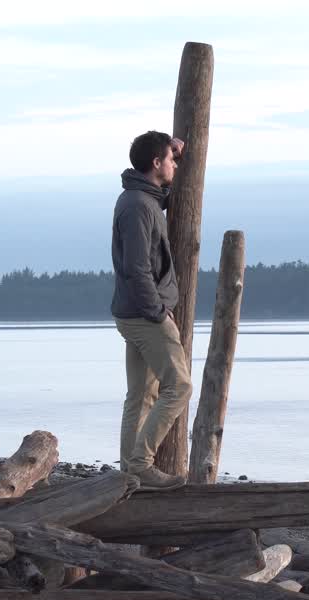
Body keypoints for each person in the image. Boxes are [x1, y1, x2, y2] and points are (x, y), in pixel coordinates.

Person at [110, 130, 192, 490]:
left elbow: (158, 197)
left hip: (133, 311)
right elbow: (136, 267)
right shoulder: (137, 206)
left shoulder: (139, 199)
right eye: (171, 160)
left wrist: (172, 148)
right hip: (145, 315)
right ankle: (141, 464)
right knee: (180, 386)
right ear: (156, 164)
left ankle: (129, 473)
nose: (175, 164)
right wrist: (158, 311)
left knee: (142, 394)